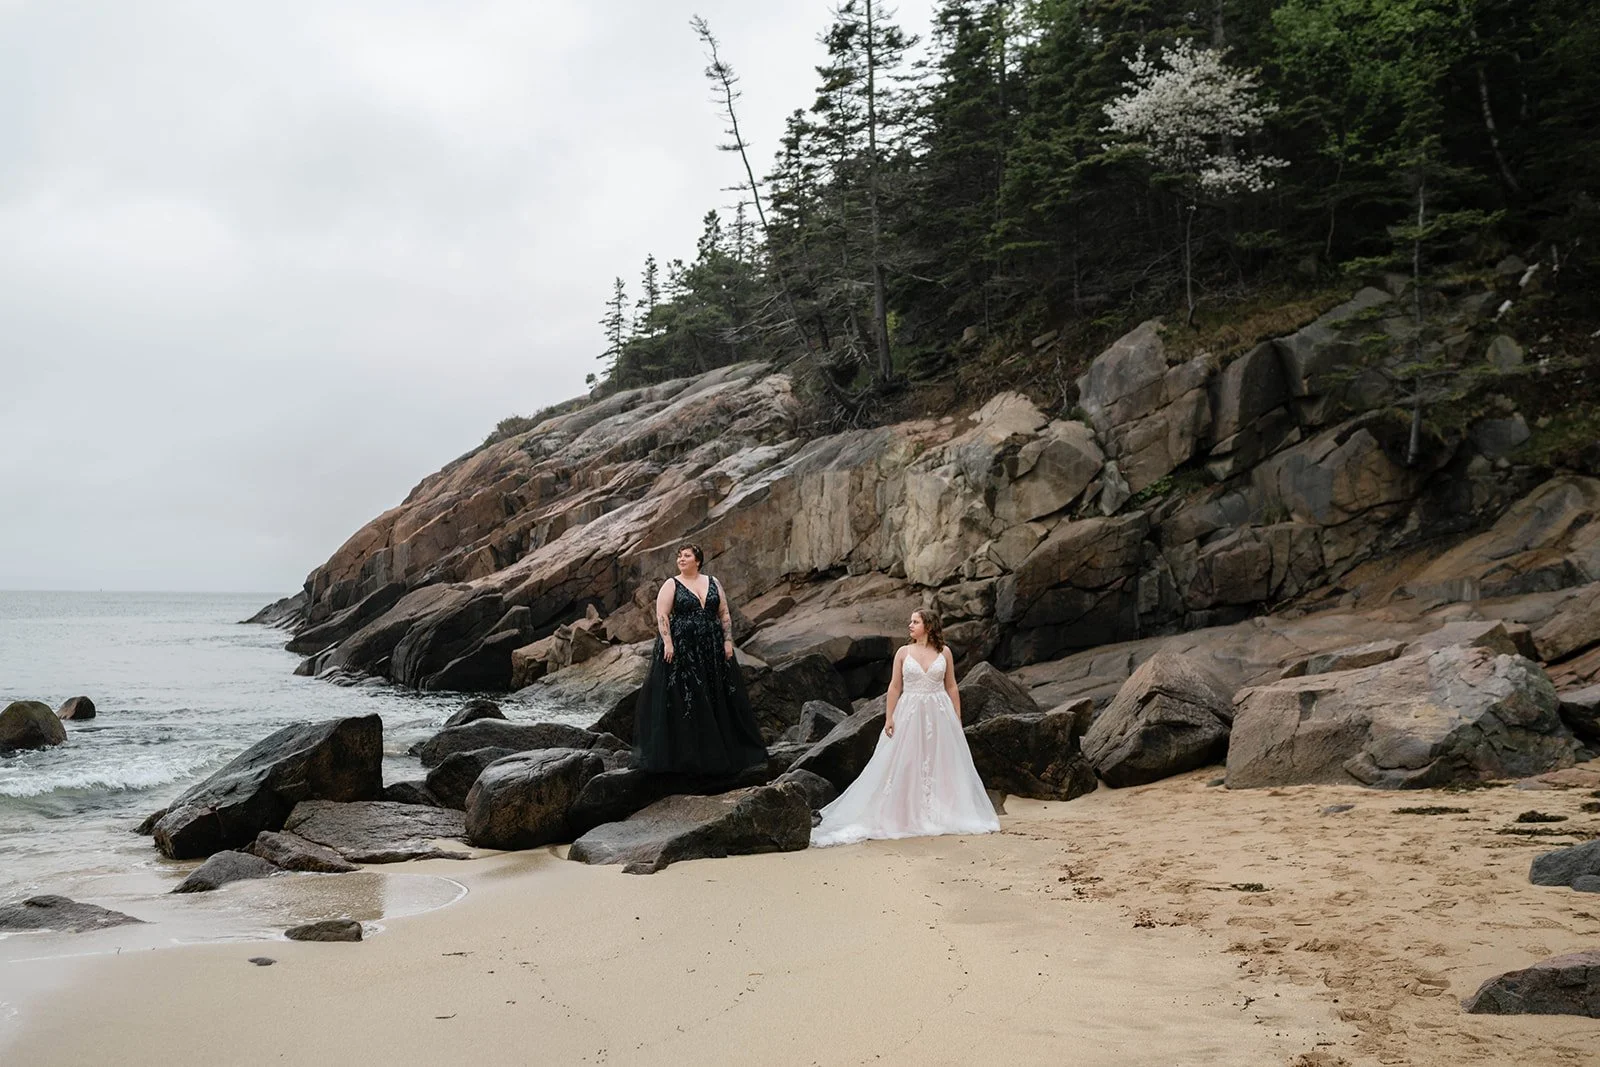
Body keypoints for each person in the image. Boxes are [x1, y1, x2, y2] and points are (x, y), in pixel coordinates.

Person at [811, 609, 1000, 847]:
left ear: (928, 626)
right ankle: (903, 812)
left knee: (940, 761)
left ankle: (940, 811)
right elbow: (894, 687)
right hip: (909, 711)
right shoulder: (903, 652)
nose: (910, 625)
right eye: (910, 621)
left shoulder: (945, 652)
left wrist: (956, 715)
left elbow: (951, 686)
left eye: (915, 622)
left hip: (939, 712)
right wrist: (889, 717)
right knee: (905, 760)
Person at [633, 543, 768, 776]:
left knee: (717, 694)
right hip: (683, 648)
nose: (681, 559)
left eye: (686, 556)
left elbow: (724, 613)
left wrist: (728, 642)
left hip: (712, 646)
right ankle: (690, 757)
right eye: (679, 556)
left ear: (698, 560)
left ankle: (721, 751)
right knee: (689, 697)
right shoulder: (671, 584)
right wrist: (667, 643)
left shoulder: (713, 582)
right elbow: (662, 615)